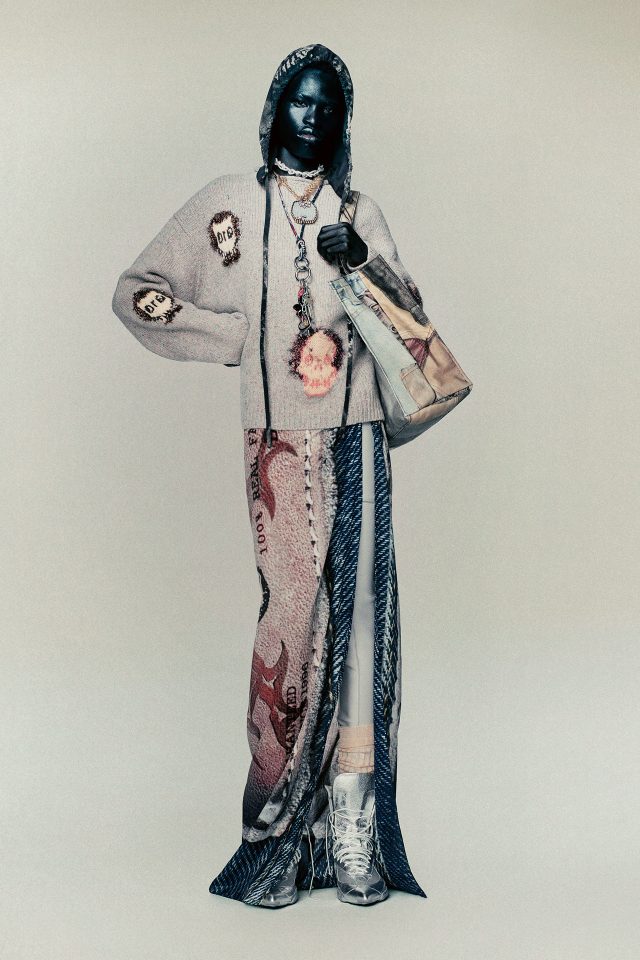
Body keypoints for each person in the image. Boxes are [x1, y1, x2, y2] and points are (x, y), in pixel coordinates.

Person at [112, 43, 427, 909]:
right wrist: (239, 340)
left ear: (344, 122)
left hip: (357, 438)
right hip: (280, 442)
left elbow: (413, 323)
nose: (314, 117)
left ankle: (352, 831)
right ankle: (278, 834)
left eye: (330, 106)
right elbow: (138, 290)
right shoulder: (231, 205)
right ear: (275, 108)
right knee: (289, 623)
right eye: (301, 100)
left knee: (360, 625)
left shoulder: (358, 211)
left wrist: (361, 261)